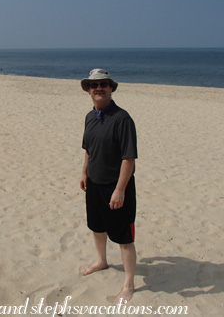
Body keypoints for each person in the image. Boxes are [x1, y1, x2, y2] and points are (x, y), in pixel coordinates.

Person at [80, 68, 138, 303]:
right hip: (94, 184)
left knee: (124, 238)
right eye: (94, 85)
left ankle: (129, 284)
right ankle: (102, 261)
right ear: (89, 90)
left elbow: (129, 158)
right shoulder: (89, 117)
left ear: (111, 88)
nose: (99, 88)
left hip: (116, 187)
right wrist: (84, 172)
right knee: (97, 227)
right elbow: (88, 150)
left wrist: (120, 189)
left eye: (104, 84)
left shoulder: (122, 118)